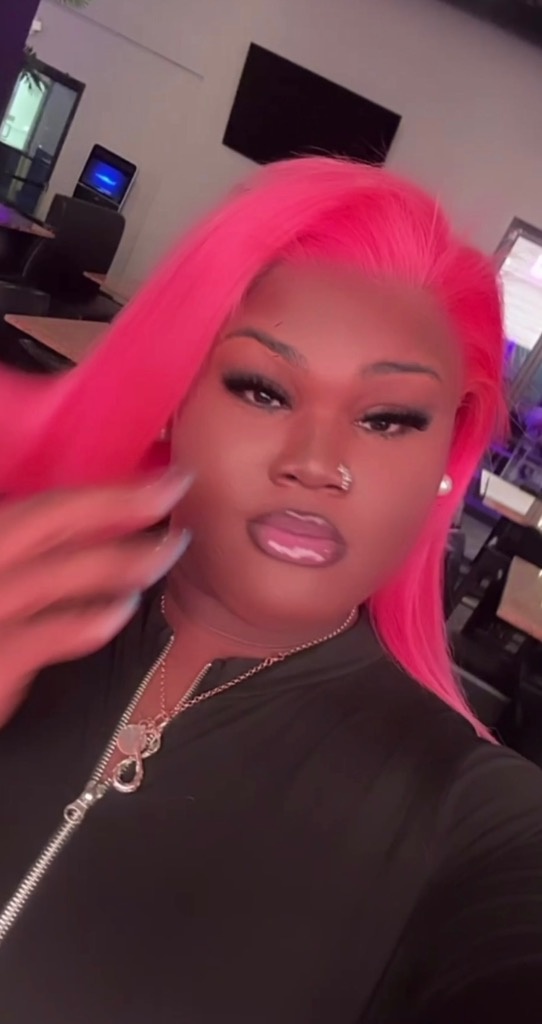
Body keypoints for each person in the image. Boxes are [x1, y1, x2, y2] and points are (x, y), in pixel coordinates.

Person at [0, 155, 541, 1023]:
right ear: (176, 394)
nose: (316, 463)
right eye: (262, 389)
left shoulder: (469, 820)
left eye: (388, 419)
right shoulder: (21, 584)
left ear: (449, 453)